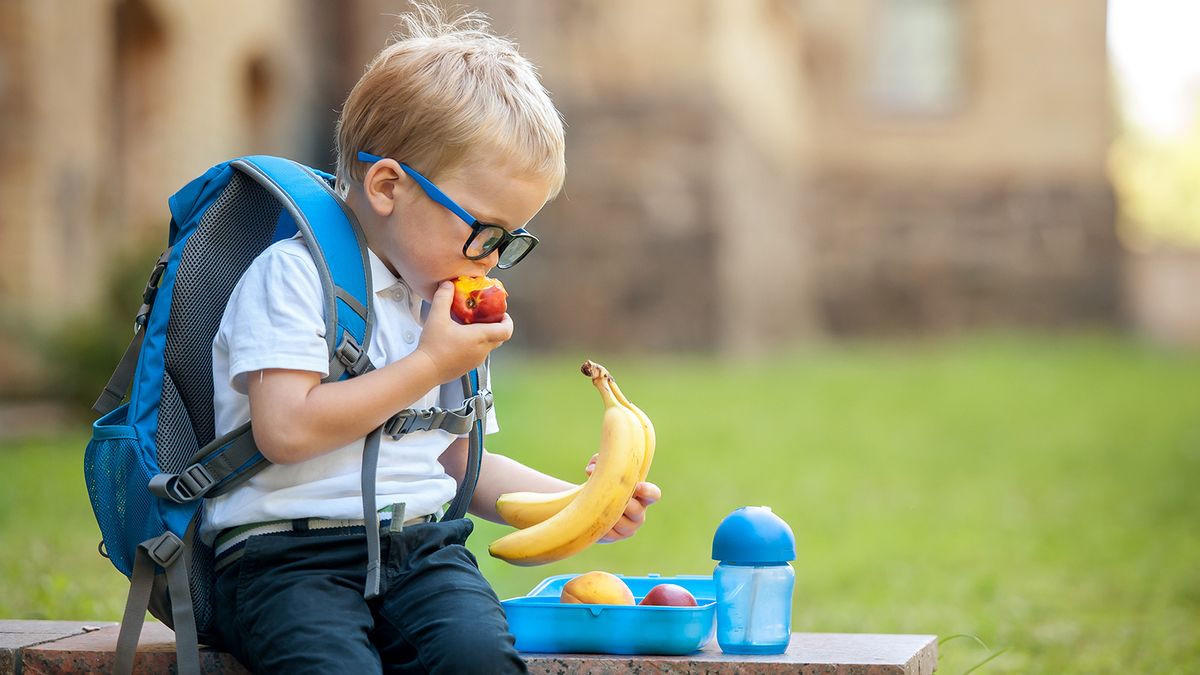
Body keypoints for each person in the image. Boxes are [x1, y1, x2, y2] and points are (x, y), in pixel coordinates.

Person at [201, 4, 660, 672]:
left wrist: (582, 501)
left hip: (421, 550)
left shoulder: (442, 305)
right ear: (388, 186)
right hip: (285, 557)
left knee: (479, 657)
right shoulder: (294, 277)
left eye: (511, 239)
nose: (492, 259)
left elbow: (456, 464)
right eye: (484, 230)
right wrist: (428, 363)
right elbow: (286, 430)